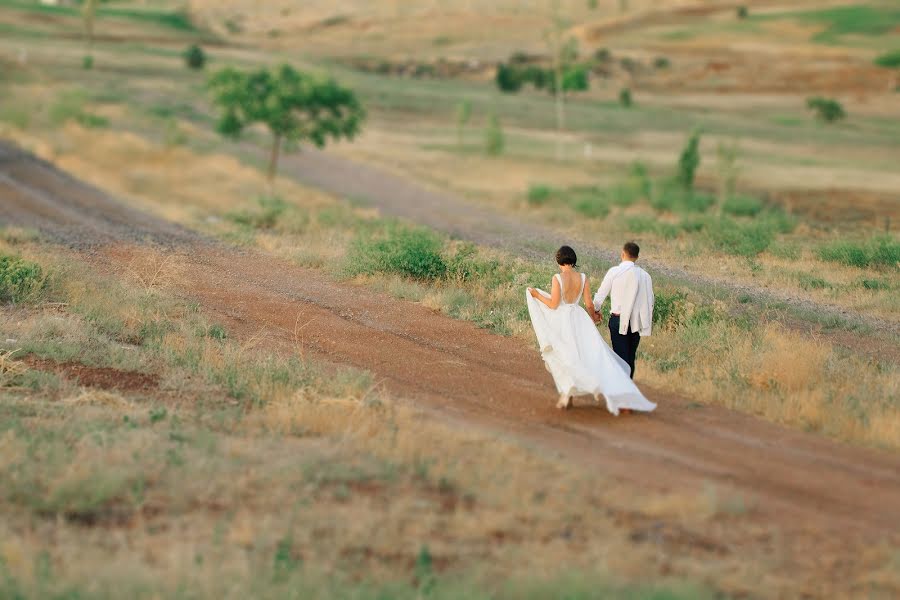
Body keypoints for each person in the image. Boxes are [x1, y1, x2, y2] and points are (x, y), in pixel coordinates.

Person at [526, 245, 656, 414]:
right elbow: (588, 304)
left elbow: (553, 304)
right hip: (579, 318)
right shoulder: (583, 277)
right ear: (573, 261)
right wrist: (594, 316)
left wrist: (536, 295)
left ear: (559, 261)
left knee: (566, 355)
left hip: (564, 320)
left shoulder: (557, 277)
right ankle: (604, 391)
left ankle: (568, 394)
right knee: (588, 355)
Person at [591, 241, 654, 381]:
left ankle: (621, 390)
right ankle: (627, 389)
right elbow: (650, 300)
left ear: (622, 254)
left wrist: (595, 310)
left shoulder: (615, 272)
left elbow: (601, 294)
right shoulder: (644, 275)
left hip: (618, 319)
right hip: (636, 321)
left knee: (620, 357)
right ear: (637, 257)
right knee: (630, 357)